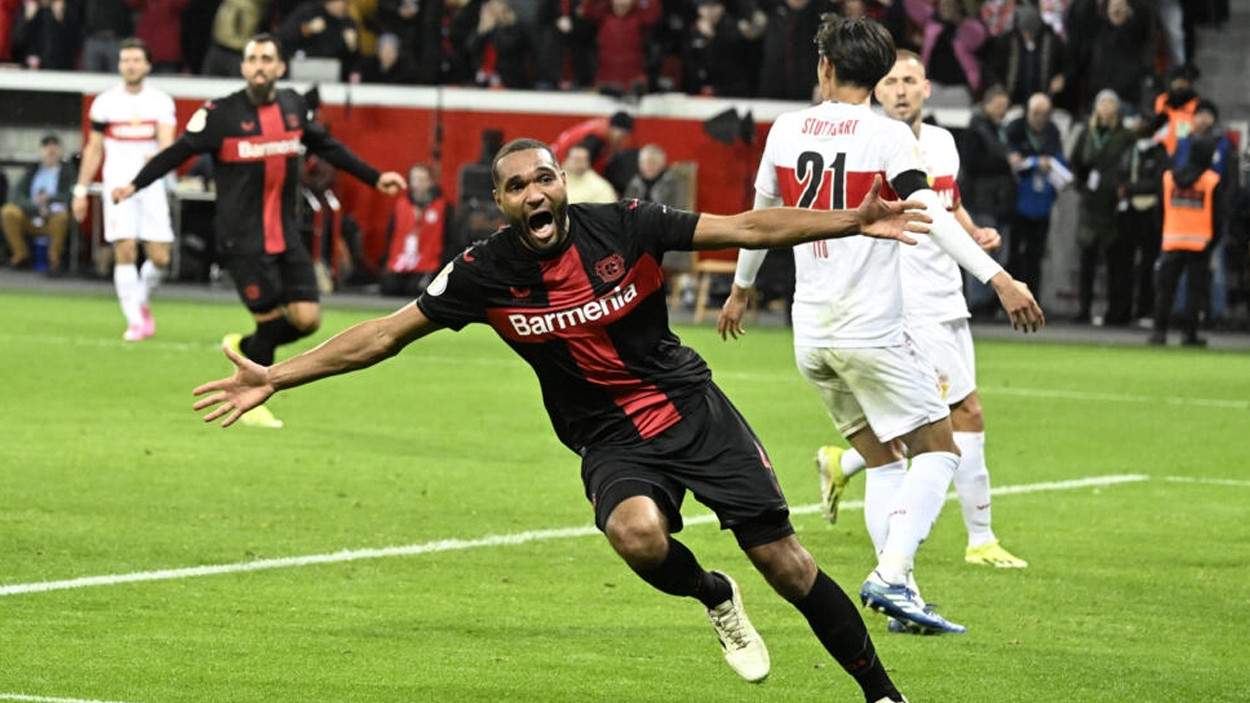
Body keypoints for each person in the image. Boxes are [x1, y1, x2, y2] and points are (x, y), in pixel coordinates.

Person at [193, 137, 932, 703]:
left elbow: (745, 225)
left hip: (689, 408)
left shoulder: (628, 225)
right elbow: (384, 333)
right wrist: (278, 375)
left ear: (562, 184)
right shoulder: (482, 271)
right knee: (637, 535)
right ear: (502, 203)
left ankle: (884, 695)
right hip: (608, 435)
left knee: (787, 564)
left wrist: (853, 219)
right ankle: (712, 594)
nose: (535, 192)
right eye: (517, 186)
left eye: (544, 177)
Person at [717, 15, 1043, 636]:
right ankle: (892, 575)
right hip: (870, 330)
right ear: (874, 75)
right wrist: (998, 278)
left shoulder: (786, 130)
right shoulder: (889, 135)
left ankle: (906, 600)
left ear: (826, 68)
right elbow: (933, 213)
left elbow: (757, 219)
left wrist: (740, 290)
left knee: (886, 463)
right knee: (941, 450)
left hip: (810, 334)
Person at [811, 51, 1029, 611]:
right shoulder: (870, 143)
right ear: (876, 91)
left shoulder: (942, 144)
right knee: (958, 418)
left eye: (910, 80)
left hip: (945, 294)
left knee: (920, 433)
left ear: (927, 88)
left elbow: (945, 204)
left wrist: (973, 230)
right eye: (891, 81)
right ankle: (974, 541)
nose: (901, 90)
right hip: (906, 306)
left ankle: (845, 463)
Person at [115, 33, 406, 428]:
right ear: (243, 67)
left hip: (285, 235)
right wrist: (134, 184)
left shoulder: (292, 105)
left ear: (280, 67)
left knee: (308, 320)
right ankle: (255, 398)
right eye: (252, 58)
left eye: (267, 58)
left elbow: (327, 146)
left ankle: (245, 348)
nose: (259, 65)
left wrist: (374, 178)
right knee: (270, 323)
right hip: (242, 239)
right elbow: (177, 152)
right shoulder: (220, 114)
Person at [72, 38, 178, 341]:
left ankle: (140, 299)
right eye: (125, 60)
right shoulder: (105, 102)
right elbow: (93, 149)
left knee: (160, 258)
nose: (130, 65)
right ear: (120, 65)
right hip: (117, 186)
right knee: (125, 249)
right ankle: (134, 321)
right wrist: (81, 190)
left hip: (150, 184)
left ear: (147, 64)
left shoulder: (160, 101)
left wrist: (157, 157)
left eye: (135, 60)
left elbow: (167, 143)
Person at [1069, 89, 1135, 325]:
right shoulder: (1087, 132)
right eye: (1102, 104)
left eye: (1110, 104)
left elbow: (1129, 163)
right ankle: (1083, 308)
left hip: (1113, 205)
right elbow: (1075, 161)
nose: (1106, 108)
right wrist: (1081, 181)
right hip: (1090, 204)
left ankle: (1115, 311)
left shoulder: (1125, 135)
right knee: (1086, 261)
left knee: (1115, 263)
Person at [1149, 136, 1222, 347]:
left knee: (1165, 290)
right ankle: (1189, 335)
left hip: (1171, 241)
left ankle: (1159, 332)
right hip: (1200, 244)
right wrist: (1211, 243)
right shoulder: (1211, 181)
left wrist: (1164, 234)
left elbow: (1159, 212)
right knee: (1194, 292)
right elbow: (1218, 217)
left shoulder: (1170, 178)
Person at [958, 85, 1016, 318]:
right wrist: (1005, 163)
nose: (1003, 111)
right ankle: (978, 303)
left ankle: (989, 302)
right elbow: (972, 165)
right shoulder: (975, 130)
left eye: (1005, 107)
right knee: (979, 253)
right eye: (999, 106)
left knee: (998, 254)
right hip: (980, 202)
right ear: (988, 103)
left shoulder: (998, 129)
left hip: (997, 202)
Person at [1005, 92, 1070, 298]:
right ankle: (1010, 300)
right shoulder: (1015, 131)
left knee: (1036, 255)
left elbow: (1060, 162)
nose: (1040, 118)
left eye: (1044, 114)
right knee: (1013, 255)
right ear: (1028, 113)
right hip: (1017, 202)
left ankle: (1033, 298)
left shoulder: (1052, 133)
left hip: (1042, 203)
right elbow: (1012, 162)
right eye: (1036, 113)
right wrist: (1035, 162)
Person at [2, 132, 74, 273]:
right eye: (47, 148)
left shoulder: (67, 171)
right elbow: (15, 195)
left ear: (60, 151)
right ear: (41, 151)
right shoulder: (33, 170)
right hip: (31, 214)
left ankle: (54, 259)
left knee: (62, 216)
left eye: (54, 148)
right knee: (8, 211)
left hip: (53, 216)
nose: (51, 151)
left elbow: (70, 195)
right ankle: (21, 255)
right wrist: (35, 206)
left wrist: (49, 201)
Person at [379, 163, 449, 297]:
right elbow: (391, 235)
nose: (418, 184)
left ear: (430, 182)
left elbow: (450, 239)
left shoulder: (443, 207)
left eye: (422, 180)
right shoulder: (401, 206)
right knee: (389, 288)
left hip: (428, 263)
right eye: (415, 179)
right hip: (401, 260)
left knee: (415, 289)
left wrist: (443, 266)